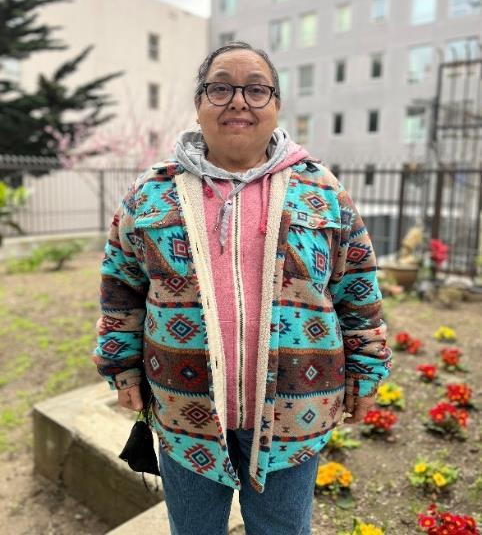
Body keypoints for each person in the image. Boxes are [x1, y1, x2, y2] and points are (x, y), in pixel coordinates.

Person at [93, 41, 392, 535]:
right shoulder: (151, 193)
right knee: (192, 529)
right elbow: (120, 291)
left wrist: (366, 370)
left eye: (256, 90)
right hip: (181, 410)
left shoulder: (322, 190)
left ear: (276, 105)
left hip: (297, 413)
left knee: (282, 529)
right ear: (199, 103)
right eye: (221, 88)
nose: (238, 101)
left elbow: (357, 290)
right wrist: (120, 368)